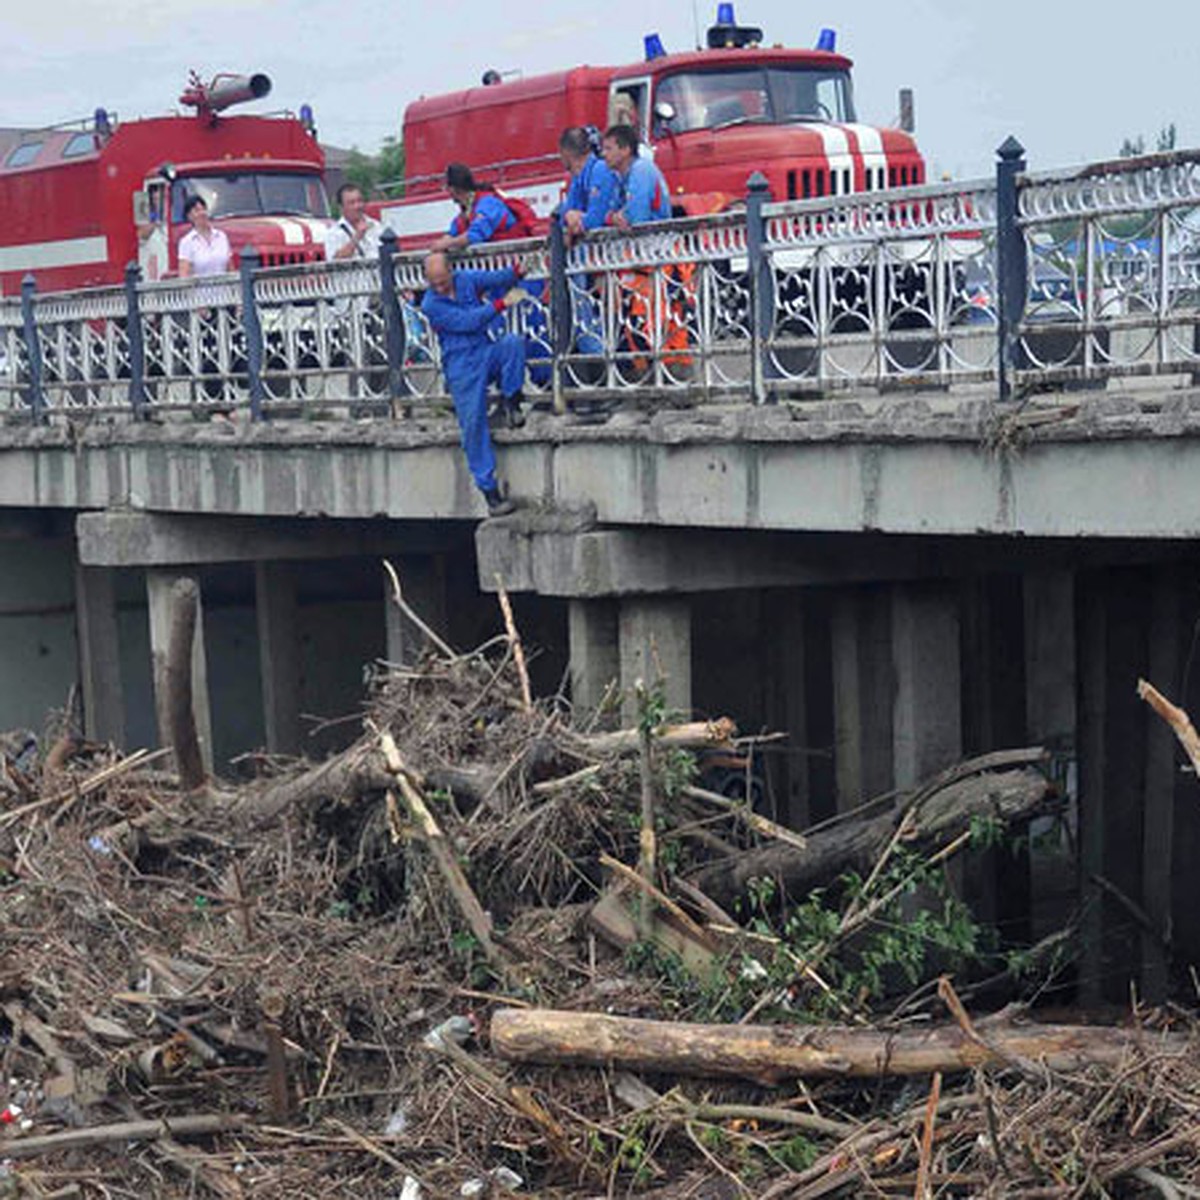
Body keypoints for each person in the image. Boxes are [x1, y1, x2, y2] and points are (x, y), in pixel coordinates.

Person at [421, 251, 530, 516]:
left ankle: (512, 402)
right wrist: (500, 304)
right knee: (473, 426)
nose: (438, 286)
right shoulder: (430, 305)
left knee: (512, 344)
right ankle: (490, 493)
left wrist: (515, 272)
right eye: (433, 281)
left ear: (451, 271)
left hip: (483, 350)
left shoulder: (466, 279)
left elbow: (494, 278)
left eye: (442, 280)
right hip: (460, 365)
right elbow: (468, 322)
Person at [432, 163, 527, 251]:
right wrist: (444, 241)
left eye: (447, 188)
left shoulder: (488, 204)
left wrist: (447, 243)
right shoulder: (466, 212)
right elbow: (453, 232)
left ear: (453, 189)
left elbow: (475, 235)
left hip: (511, 261)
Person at [601, 124, 672, 229]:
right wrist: (613, 218)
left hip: (655, 239)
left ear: (625, 150)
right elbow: (606, 214)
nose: (603, 154)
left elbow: (636, 218)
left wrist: (619, 217)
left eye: (608, 149)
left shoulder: (641, 170)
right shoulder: (618, 176)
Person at [558, 126, 619, 241]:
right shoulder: (577, 177)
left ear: (565, 153)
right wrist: (569, 218)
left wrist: (578, 221)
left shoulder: (601, 170)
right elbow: (565, 216)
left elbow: (598, 219)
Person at [323, 183, 384, 261]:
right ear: (341, 207)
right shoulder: (333, 233)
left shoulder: (376, 226)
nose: (357, 206)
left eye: (360, 201)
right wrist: (357, 237)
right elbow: (334, 262)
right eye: (352, 203)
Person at [177, 195, 231, 277]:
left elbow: (230, 269)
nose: (202, 213)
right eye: (197, 210)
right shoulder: (186, 242)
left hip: (224, 289)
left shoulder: (222, 237)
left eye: (203, 209)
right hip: (201, 289)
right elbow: (184, 275)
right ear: (189, 216)